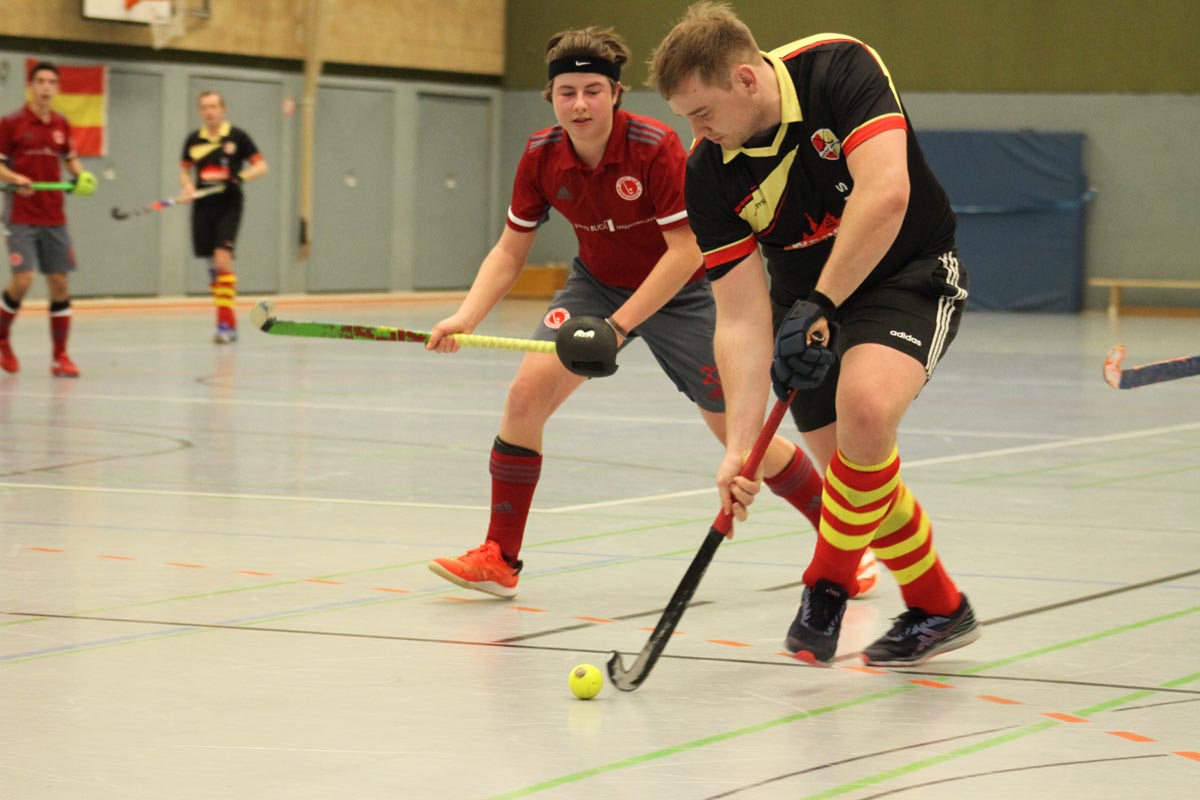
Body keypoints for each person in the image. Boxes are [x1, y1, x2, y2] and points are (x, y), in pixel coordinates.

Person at [425, 26, 878, 600]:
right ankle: (499, 556)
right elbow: (511, 247)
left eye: (593, 89)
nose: (580, 103)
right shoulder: (542, 155)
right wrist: (466, 317)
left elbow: (687, 250)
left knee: (737, 441)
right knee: (524, 399)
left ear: (615, 94)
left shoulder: (657, 147)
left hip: (682, 293)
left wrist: (618, 329)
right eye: (567, 92)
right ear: (552, 98)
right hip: (596, 286)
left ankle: (843, 546)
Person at [649, 2, 979, 667]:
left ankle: (824, 586)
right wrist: (741, 449)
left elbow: (886, 192)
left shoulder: (837, 67)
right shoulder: (710, 172)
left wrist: (823, 300)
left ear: (746, 80)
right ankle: (940, 606)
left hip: (906, 271)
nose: (697, 131)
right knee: (855, 471)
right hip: (806, 303)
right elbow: (741, 316)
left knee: (866, 410)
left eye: (702, 112)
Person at [0, 61, 97, 377]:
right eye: (40, 81)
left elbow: (71, 160)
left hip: (54, 215)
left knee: (59, 283)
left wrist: (82, 177)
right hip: (21, 215)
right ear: (30, 86)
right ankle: (2, 337)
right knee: (24, 278)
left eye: (51, 82)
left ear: (57, 88)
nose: (45, 87)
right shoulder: (11, 123)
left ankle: (60, 357)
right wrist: (15, 177)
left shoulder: (62, 125)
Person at [179, 90, 268, 344]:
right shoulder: (193, 140)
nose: (209, 111)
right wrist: (187, 187)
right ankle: (225, 321)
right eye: (205, 107)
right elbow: (185, 172)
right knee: (212, 268)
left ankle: (225, 325)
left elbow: (261, 166)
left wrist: (240, 177)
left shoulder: (238, 137)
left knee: (221, 262)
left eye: (214, 106)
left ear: (223, 109)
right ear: (200, 112)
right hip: (203, 205)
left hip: (229, 205)